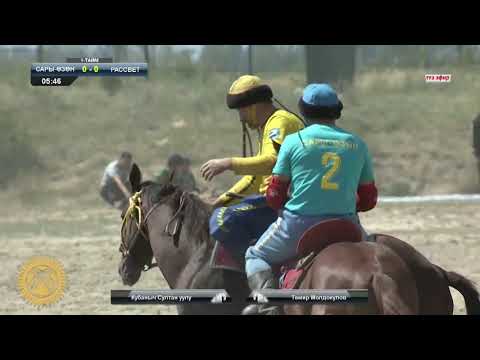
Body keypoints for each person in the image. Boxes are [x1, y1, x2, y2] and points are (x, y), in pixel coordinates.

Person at [242, 84, 378, 315]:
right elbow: (368, 200)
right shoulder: (357, 144)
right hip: (347, 225)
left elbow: (274, 195)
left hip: (298, 225)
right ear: (337, 110)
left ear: (303, 111)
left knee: (255, 255)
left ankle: (269, 307)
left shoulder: (293, 142)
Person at [200, 75, 304, 263]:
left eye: (241, 110)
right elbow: (255, 178)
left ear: (253, 106)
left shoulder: (279, 122)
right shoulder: (266, 128)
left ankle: (250, 266)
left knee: (222, 220)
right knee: (219, 211)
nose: (240, 117)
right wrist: (221, 201)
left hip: (285, 202)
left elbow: (273, 161)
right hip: (273, 201)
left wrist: (228, 163)